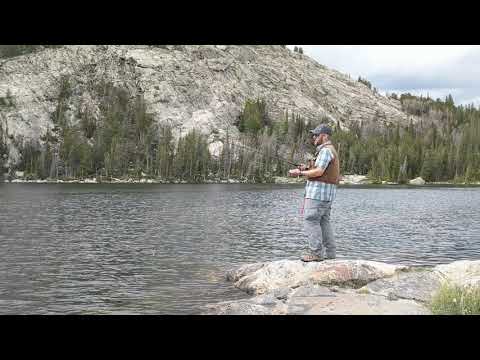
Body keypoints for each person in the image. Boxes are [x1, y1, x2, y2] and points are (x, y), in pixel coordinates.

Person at [288, 124, 340, 262]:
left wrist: (299, 173)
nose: (314, 137)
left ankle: (316, 253)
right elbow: (320, 168)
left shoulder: (325, 151)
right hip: (326, 195)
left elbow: (319, 172)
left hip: (318, 194)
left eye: (317, 135)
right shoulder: (330, 150)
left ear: (325, 136)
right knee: (323, 222)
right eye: (314, 135)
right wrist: (306, 168)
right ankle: (330, 254)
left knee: (310, 220)